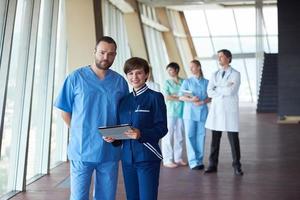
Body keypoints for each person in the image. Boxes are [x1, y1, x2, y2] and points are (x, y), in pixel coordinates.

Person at [54, 36, 129, 200]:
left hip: (110, 151)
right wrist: (79, 131)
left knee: (106, 197)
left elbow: (125, 115)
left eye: (110, 54)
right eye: (102, 52)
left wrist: (118, 134)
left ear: (115, 55)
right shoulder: (75, 78)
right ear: (94, 52)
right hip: (82, 149)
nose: (105, 57)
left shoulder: (120, 82)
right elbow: (64, 111)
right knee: (79, 197)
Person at [104, 57, 168, 200]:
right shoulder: (124, 101)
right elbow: (123, 130)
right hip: (127, 158)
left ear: (146, 75)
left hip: (147, 157)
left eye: (139, 73)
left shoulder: (155, 97)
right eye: (131, 73)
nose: (134, 77)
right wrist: (114, 137)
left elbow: (162, 128)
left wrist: (141, 134)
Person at [204, 49, 244, 176]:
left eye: (221, 56)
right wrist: (224, 87)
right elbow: (209, 91)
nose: (219, 59)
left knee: (233, 140)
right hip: (217, 110)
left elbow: (231, 91)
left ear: (228, 58)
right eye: (218, 57)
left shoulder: (236, 74)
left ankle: (237, 165)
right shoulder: (214, 74)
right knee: (215, 140)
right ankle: (212, 165)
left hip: (229, 110)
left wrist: (218, 88)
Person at [179, 59, 210, 170]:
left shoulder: (206, 82)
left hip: (202, 112)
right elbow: (181, 96)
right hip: (190, 113)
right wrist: (192, 99)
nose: (191, 69)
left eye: (193, 67)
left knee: (201, 136)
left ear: (199, 67)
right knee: (190, 136)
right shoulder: (187, 82)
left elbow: (210, 96)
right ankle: (193, 162)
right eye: (190, 67)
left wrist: (203, 101)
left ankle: (200, 160)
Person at [161, 62, 187, 168]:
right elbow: (167, 96)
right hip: (170, 112)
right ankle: (167, 159)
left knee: (179, 135)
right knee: (168, 135)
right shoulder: (167, 82)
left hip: (182, 112)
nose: (169, 72)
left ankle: (178, 158)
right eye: (168, 71)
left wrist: (176, 96)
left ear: (176, 70)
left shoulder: (184, 82)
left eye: (171, 70)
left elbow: (187, 94)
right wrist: (179, 97)